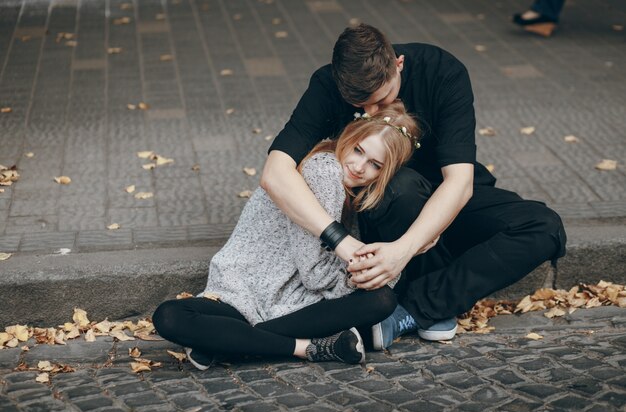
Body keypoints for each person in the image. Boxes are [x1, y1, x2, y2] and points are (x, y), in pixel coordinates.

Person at [260, 23, 566, 350]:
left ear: (399, 65)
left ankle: (417, 308)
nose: (371, 114)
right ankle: (434, 304)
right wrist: (341, 242)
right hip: (386, 209)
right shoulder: (326, 85)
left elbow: (459, 183)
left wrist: (402, 251)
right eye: (360, 106)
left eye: (380, 101)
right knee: (401, 188)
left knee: (544, 227)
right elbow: (274, 174)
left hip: (446, 203)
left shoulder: (442, 71)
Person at [153, 102, 419, 369]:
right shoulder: (325, 171)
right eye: (358, 150)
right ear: (349, 137)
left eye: (374, 164)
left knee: (381, 300)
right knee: (170, 316)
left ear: (384, 173)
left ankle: (230, 343)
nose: (359, 166)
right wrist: (356, 277)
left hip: (288, 304)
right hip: (244, 295)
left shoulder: (352, 191)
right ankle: (305, 348)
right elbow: (316, 275)